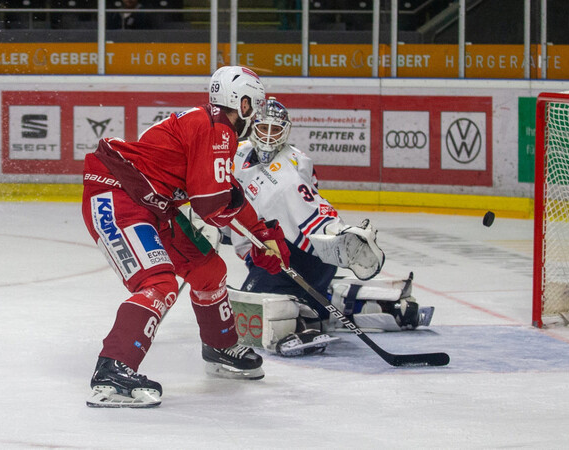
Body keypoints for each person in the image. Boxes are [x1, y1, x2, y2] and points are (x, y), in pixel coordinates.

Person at [80, 66, 290, 408]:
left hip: (153, 206)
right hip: (118, 198)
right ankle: (113, 372)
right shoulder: (219, 130)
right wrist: (254, 234)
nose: (256, 112)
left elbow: (223, 191)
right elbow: (212, 205)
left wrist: (261, 232)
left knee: (209, 271)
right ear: (244, 102)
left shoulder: (211, 125)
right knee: (158, 284)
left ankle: (220, 346)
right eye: (255, 104)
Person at [213, 98, 434, 357]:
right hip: (268, 255)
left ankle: (305, 323)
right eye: (264, 128)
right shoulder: (237, 154)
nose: (270, 137)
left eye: (276, 130)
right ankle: (386, 307)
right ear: (254, 127)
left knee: (247, 311)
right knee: (256, 304)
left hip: (298, 255)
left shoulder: (293, 167)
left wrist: (337, 236)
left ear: (286, 131)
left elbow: (312, 208)